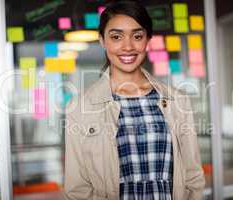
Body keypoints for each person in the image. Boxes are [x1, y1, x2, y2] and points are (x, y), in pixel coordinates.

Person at [62, 0, 205, 199]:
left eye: (137, 36)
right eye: (116, 37)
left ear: (148, 40)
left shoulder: (177, 101)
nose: (128, 46)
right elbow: (76, 189)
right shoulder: (79, 107)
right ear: (102, 40)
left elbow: (193, 177)